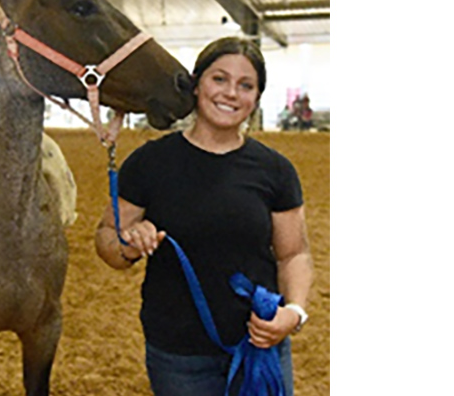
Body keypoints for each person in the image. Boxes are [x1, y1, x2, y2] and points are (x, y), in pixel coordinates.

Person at [96, 38, 314, 396]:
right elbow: (106, 238)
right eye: (219, 79)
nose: (231, 93)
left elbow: (294, 254)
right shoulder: (149, 163)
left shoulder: (276, 170)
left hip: (259, 347)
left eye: (246, 85)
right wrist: (128, 242)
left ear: (256, 99)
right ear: (197, 85)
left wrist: (294, 312)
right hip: (178, 357)